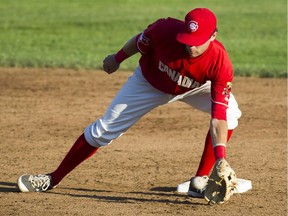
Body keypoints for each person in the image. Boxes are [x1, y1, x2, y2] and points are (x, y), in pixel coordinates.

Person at [17, 8, 241, 199]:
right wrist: (117, 58)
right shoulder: (164, 30)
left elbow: (218, 117)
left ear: (213, 36)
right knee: (103, 131)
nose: (190, 47)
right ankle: (52, 178)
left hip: (195, 87)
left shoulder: (220, 63)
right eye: (187, 40)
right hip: (149, 83)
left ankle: (200, 180)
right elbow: (138, 42)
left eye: (197, 42)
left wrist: (221, 158)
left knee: (231, 113)